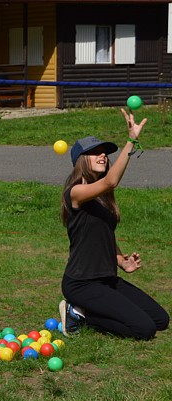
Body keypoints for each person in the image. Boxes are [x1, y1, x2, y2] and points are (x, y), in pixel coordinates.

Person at [59, 109, 168, 340]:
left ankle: (86, 311)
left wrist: (121, 261)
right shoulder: (75, 193)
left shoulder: (102, 200)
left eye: (104, 153)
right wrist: (131, 141)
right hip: (82, 283)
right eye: (94, 153)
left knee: (160, 320)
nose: (103, 156)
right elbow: (111, 181)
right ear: (80, 161)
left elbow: (103, 233)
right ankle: (80, 314)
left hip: (107, 279)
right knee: (144, 329)